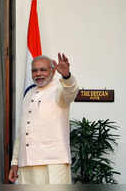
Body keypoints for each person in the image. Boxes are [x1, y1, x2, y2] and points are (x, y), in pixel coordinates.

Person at [9, 53, 79, 184]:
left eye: (43, 70)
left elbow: (71, 92)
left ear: (52, 71)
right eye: (34, 70)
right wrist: (15, 161)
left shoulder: (59, 89)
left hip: (53, 163)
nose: (38, 73)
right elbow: (22, 132)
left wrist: (67, 76)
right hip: (27, 164)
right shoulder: (29, 94)